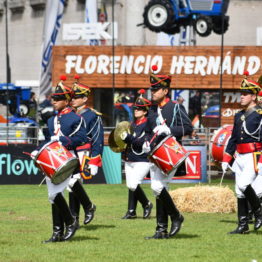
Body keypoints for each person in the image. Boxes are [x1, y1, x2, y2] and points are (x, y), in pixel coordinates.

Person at [32, 75, 87, 243]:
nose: (54, 101)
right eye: (53, 98)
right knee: (52, 195)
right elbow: (47, 140)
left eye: (58, 98)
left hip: (67, 160)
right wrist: (38, 150)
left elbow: (81, 138)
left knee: (55, 194)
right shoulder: (50, 120)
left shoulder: (76, 118)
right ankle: (57, 232)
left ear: (67, 100)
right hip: (52, 160)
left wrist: (62, 141)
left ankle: (70, 223)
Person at [142, 65, 193, 239]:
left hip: (170, 153)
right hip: (155, 155)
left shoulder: (176, 107)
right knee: (158, 190)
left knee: (157, 187)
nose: (153, 92)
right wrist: (146, 143)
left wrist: (169, 130)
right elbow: (148, 132)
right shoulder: (151, 110)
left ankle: (176, 216)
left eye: (156, 89)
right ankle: (161, 229)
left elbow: (188, 128)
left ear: (165, 90)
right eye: (152, 89)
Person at [222, 72, 262, 234]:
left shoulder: (260, 114)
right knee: (239, 191)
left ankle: (259, 212)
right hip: (240, 156)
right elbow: (233, 138)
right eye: (241, 94)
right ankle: (243, 225)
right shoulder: (238, 115)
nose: (242, 97)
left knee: (244, 185)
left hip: (254, 155)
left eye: (245, 94)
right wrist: (227, 157)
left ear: (254, 96)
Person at [67, 75, 104, 227]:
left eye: (77, 97)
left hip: (83, 152)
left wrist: (95, 159)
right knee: (71, 186)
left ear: (84, 99)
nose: (73, 100)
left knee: (74, 183)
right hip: (70, 152)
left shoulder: (92, 116)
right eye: (72, 97)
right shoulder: (69, 114)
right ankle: (74, 218)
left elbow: (97, 138)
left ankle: (87, 208)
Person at [120, 89, 153, 219]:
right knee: (132, 186)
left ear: (145, 111)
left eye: (139, 109)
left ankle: (146, 204)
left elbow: (143, 141)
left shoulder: (148, 124)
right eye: (135, 108)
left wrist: (128, 138)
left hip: (142, 159)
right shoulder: (132, 124)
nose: (136, 111)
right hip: (130, 158)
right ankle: (131, 211)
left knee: (132, 184)